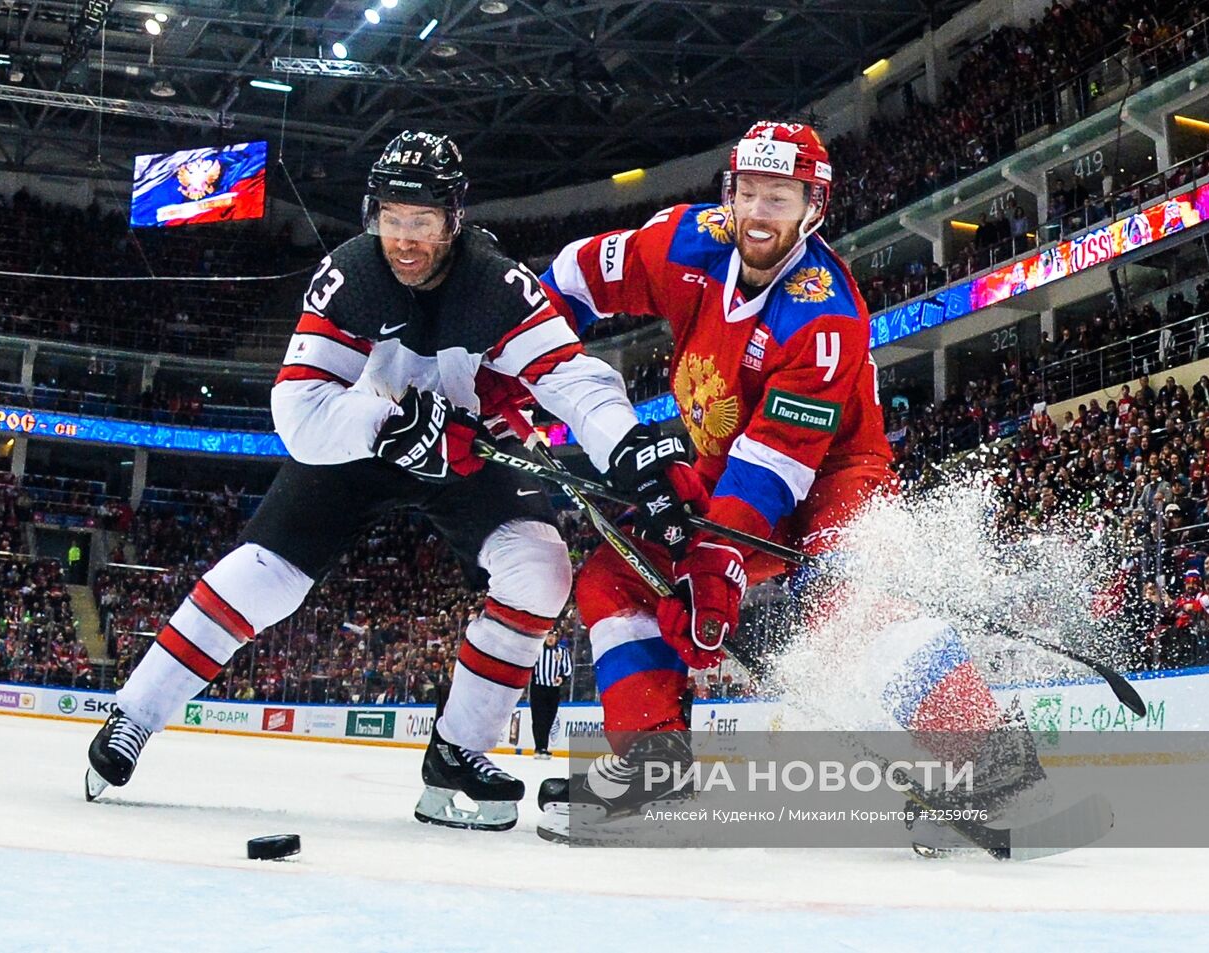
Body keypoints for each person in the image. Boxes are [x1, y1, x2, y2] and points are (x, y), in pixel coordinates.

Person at [84, 130, 695, 832]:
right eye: (392, 219)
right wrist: (388, 425)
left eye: (422, 222)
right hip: (359, 441)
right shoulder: (351, 274)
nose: (403, 239)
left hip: (466, 448)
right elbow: (298, 409)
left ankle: (459, 752)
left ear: (453, 219)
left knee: (541, 569)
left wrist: (629, 450)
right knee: (264, 575)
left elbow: (573, 379)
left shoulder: (497, 284)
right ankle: (134, 712)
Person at [536, 121, 1029, 850]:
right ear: (727, 194)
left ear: (812, 207)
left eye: (780, 195)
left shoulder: (824, 312)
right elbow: (570, 280)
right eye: (747, 191)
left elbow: (774, 468)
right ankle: (652, 766)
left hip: (832, 474)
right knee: (616, 578)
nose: (759, 211)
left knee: (858, 596)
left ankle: (995, 767)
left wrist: (714, 569)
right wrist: (522, 370)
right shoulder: (682, 241)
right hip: (719, 465)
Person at [529, 632, 572, 759]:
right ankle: (539, 747)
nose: (550, 638)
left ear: (556, 638)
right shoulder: (538, 650)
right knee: (538, 718)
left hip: (553, 689)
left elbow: (568, 669)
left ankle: (544, 747)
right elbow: (530, 666)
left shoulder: (562, 652)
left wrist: (562, 678)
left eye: (553, 636)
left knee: (549, 718)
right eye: (548, 635)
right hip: (538, 687)